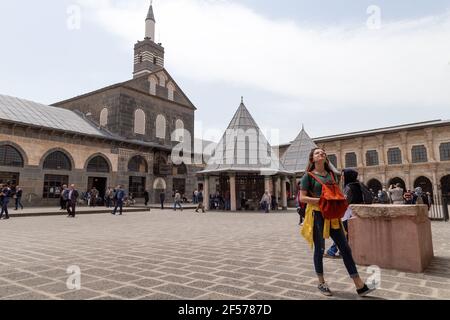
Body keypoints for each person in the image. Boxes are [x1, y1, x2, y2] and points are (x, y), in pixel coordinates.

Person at [300, 148, 376, 297]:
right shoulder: (307, 177)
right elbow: (302, 198)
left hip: (333, 215)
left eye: (323, 153)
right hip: (316, 215)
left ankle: (359, 285)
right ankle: (321, 282)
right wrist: (321, 201)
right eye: (317, 153)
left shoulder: (331, 176)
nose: (321, 154)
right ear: (312, 159)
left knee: (345, 248)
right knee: (319, 249)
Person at [326, 169, 364, 258]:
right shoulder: (359, 185)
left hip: (348, 214)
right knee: (345, 234)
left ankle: (332, 251)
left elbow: (345, 202)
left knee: (341, 233)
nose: (342, 177)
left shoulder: (349, 187)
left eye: (343, 175)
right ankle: (340, 251)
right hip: (356, 213)